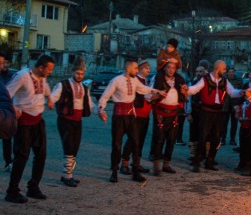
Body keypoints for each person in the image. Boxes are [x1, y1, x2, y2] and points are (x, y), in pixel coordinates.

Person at [98, 60, 165, 183]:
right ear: (128, 68)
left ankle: (135, 172)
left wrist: (157, 91)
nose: (136, 70)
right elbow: (105, 96)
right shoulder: (116, 80)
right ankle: (114, 171)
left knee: (136, 143)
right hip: (119, 117)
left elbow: (143, 89)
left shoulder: (134, 81)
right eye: (135, 68)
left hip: (131, 116)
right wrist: (101, 109)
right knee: (117, 145)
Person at [5, 55, 54, 203]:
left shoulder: (41, 77)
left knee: (41, 155)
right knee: (22, 157)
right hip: (24, 122)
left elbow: (45, 87)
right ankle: (12, 191)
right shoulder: (22, 76)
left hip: (38, 120)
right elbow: (6, 93)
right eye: (49, 69)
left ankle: (33, 187)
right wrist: (13, 107)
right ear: (41, 68)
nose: (50, 72)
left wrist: (50, 98)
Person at [187, 60, 246, 172]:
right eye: (224, 69)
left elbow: (232, 92)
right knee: (202, 137)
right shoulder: (205, 79)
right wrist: (187, 90)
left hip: (218, 112)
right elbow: (194, 89)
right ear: (218, 68)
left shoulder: (224, 81)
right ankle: (197, 162)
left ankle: (210, 161)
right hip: (206, 112)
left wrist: (241, 92)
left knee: (216, 138)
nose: (225, 72)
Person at [49, 57, 96, 187]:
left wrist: (100, 112)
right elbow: (53, 97)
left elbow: (90, 104)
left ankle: (67, 174)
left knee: (75, 148)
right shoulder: (62, 84)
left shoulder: (84, 87)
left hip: (77, 120)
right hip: (65, 120)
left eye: (82, 74)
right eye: (77, 73)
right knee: (69, 147)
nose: (80, 76)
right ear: (72, 72)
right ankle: (68, 176)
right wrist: (47, 103)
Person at [148, 60, 188, 175]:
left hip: (174, 113)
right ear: (164, 68)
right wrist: (159, 94)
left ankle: (166, 165)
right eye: (169, 67)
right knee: (159, 139)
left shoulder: (179, 81)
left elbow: (185, 96)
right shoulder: (158, 79)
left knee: (171, 139)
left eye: (173, 68)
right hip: (160, 113)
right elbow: (149, 96)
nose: (171, 70)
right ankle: (156, 166)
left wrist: (185, 92)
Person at [120, 59, 156, 176]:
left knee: (140, 140)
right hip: (136, 114)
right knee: (132, 140)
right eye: (146, 68)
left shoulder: (145, 80)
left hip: (145, 115)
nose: (148, 70)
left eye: (149, 68)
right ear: (139, 69)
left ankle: (136, 163)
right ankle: (124, 163)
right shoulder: (135, 80)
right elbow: (144, 95)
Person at [186, 62, 208, 163]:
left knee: (204, 133)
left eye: (200, 71)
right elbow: (188, 99)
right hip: (195, 110)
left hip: (205, 111)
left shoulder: (207, 82)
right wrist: (189, 113)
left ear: (205, 72)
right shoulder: (192, 83)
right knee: (193, 133)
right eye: (197, 71)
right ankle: (193, 154)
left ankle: (205, 154)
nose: (198, 73)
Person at [0, 51, 16, 171]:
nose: (4, 65)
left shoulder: (12, 76)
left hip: (6, 112)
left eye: (5, 62)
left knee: (7, 138)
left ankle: (8, 161)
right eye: (2, 63)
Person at [221, 67, 244, 146]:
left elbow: (241, 92)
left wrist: (239, 104)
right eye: (229, 72)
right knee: (224, 123)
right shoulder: (223, 80)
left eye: (232, 72)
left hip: (235, 104)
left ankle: (232, 139)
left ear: (234, 72)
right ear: (227, 72)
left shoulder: (239, 80)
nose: (231, 73)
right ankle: (223, 138)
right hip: (225, 104)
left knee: (234, 124)